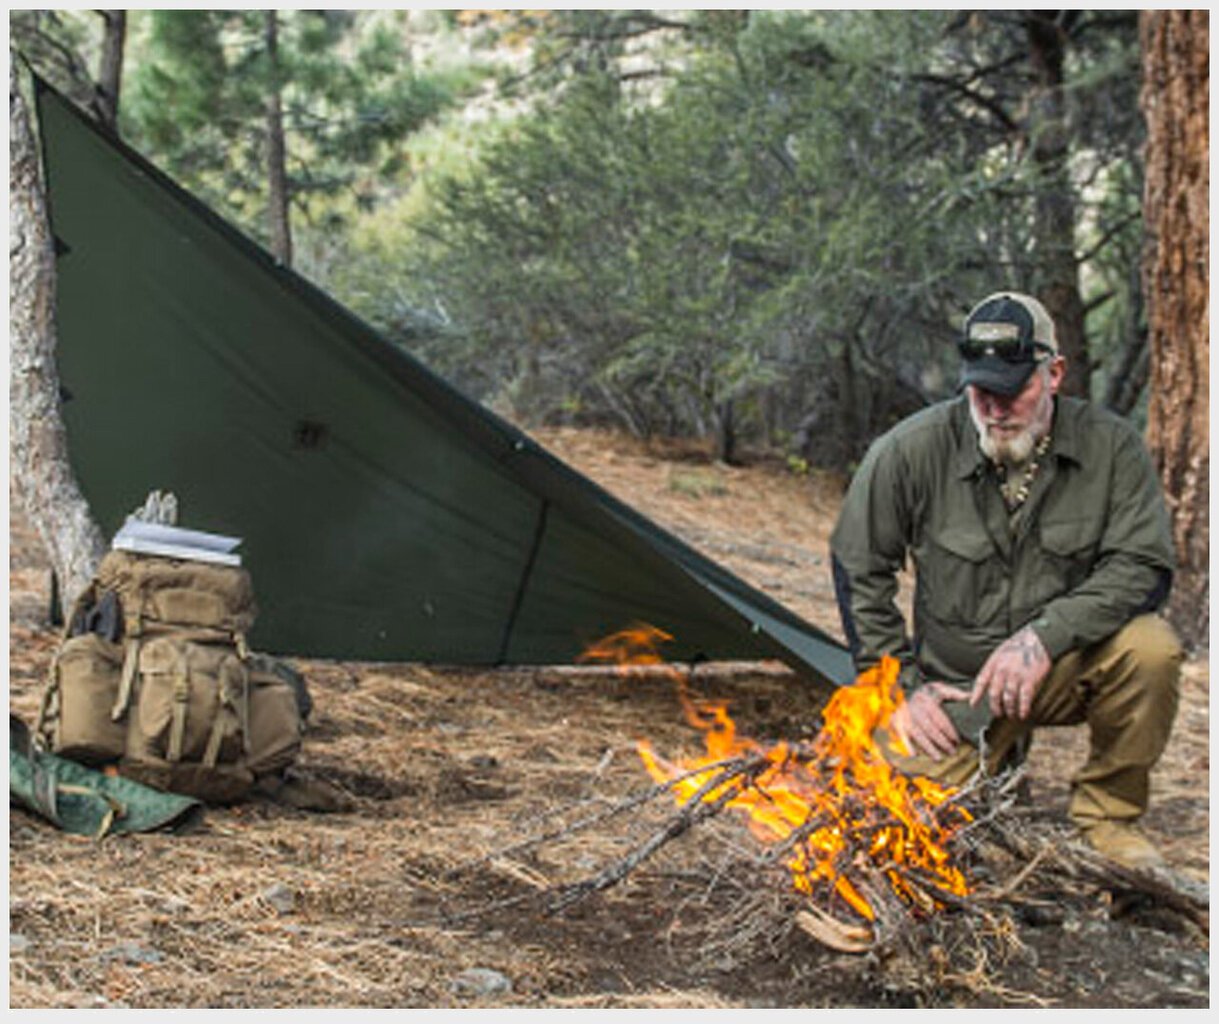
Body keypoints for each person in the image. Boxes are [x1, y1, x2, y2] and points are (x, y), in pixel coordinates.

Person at [829, 291, 1183, 869]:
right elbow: (857, 565)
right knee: (900, 827)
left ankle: (1109, 819)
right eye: (980, 389)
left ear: (1054, 374)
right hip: (957, 688)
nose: (994, 407)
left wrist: (1044, 637)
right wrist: (898, 687)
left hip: (1064, 665)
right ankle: (994, 783)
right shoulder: (911, 450)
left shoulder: (1112, 447)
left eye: (1012, 389)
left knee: (1152, 650)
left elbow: (1144, 568)